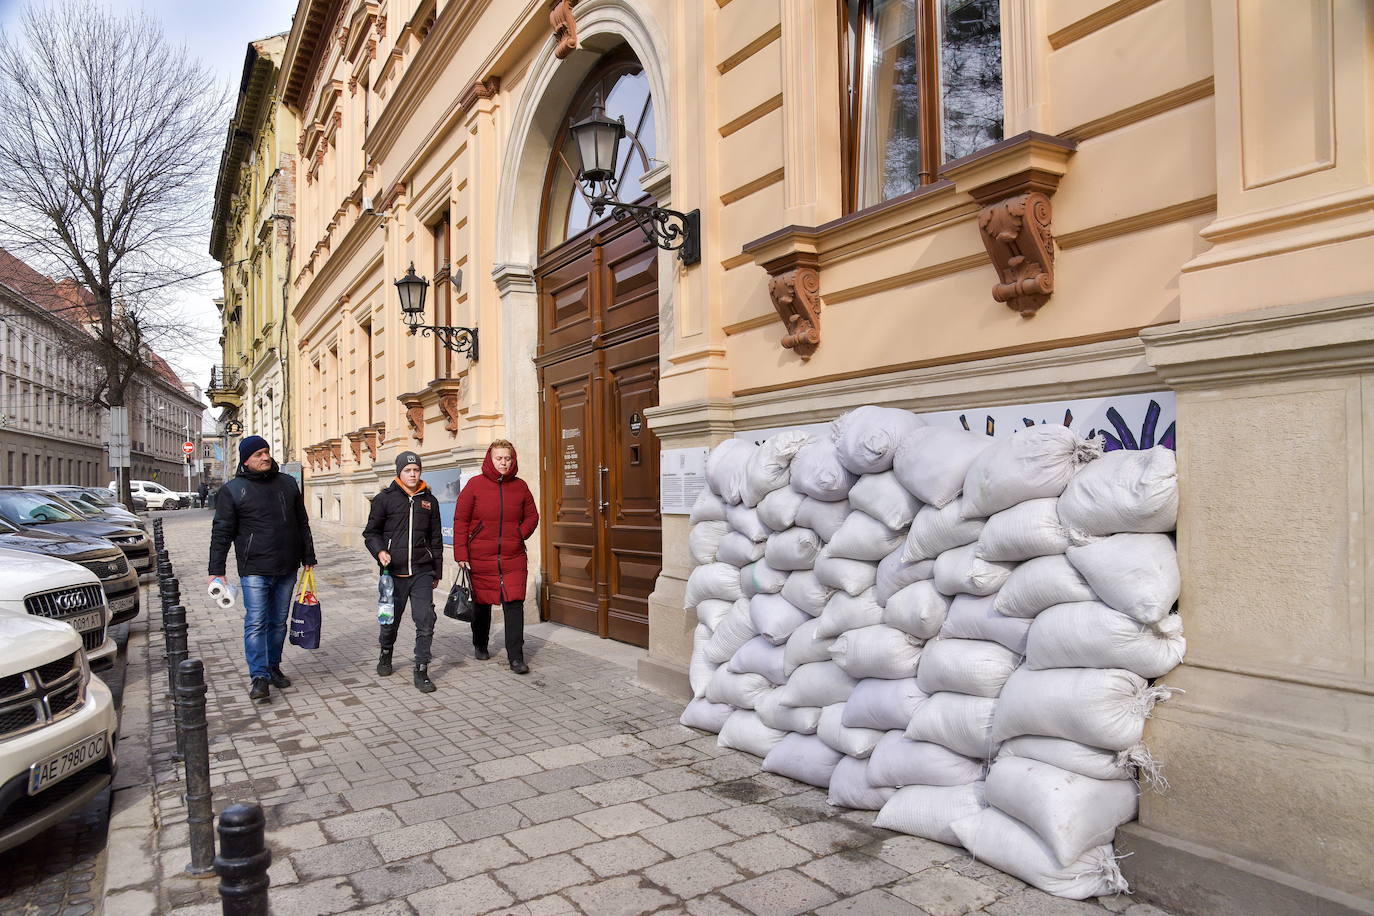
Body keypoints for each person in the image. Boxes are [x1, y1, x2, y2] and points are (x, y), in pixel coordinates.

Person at [207, 435, 317, 702]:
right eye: (258, 454)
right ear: (246, 460)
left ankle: (273, 667)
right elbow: (221, 532)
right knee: (256, 622)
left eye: (266, 452)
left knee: (278, 623)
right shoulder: (233, 490)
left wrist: (308, 556)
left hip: (287, 566)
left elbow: (302, 522)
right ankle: (259, 677)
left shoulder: (288, 484)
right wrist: (216, 570)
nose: (265, 457)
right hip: (254, 568)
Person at [452, 439, 539, 674]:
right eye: (499, 458)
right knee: (482, 603)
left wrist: (518, 534)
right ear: (490, 459)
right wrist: (461, 553)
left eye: (507, 458)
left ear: (513, 460)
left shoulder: (520, 487)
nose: (503, 462)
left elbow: (532, 516)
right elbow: (460, 520)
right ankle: (480, 643)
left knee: (514, 604)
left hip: (513, 557)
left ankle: (516, 657)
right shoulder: (474, 485)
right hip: (480, 555)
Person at [363, 451, 443, 693]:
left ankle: (421, 669)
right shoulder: (384, 499)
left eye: (416, 470)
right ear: (399, 472)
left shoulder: (429, 500)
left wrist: (436, 571)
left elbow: (436, 539)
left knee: (426, 620)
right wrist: (380, 552)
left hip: (421, 571)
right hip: (393, 573)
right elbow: (371, 533)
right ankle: (386, 653)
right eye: (408, 470)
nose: (412, 474)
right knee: (390, 622)